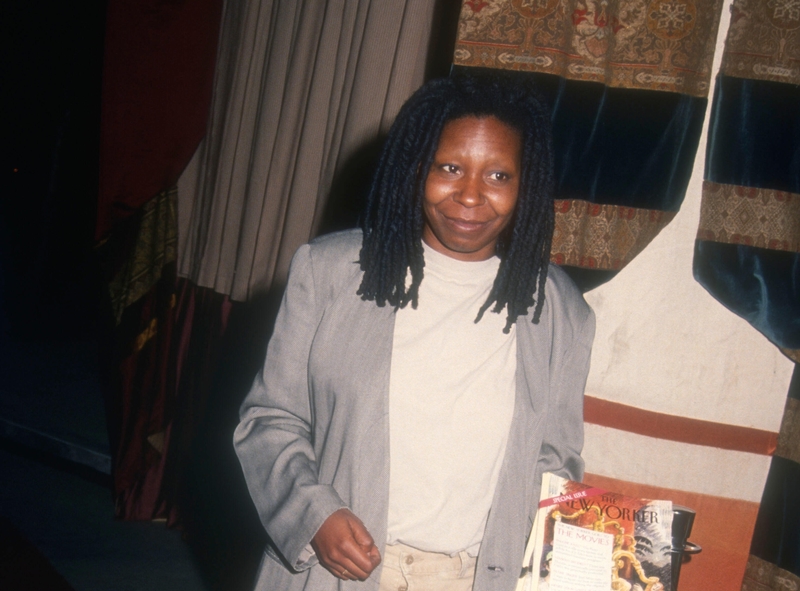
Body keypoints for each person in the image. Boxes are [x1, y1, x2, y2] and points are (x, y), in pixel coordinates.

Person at [234, 73, 595, 591]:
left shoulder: (560, 312)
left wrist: (620, 552)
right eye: (449, 168)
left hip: (476, 578)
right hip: (345, 574)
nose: (470, 195)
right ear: (415, 168)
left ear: (526, 187)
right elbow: (271, 419)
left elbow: (554, 466)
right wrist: (313, 514)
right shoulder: (331, 272)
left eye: (498, 176)